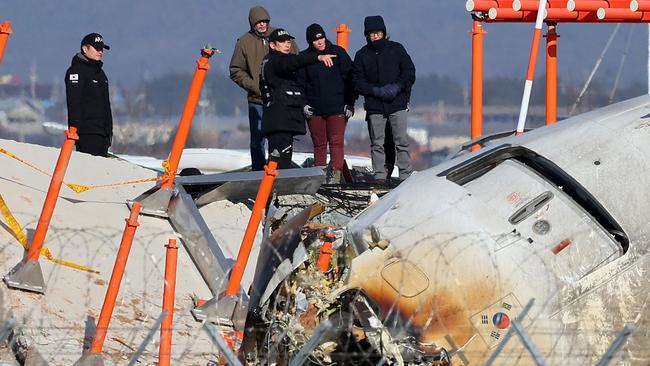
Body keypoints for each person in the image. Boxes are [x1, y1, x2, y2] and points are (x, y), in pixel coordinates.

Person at [229, 5, 298, 171]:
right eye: (258, 22)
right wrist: (255, 87)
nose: (262, 24)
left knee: (282, 136)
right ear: (252, 23)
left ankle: (281, 170)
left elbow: (296, 61)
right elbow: (235, 70)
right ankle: (258, 172)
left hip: (281, 99)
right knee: (257, 139)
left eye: (264, 21)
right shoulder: (244, 42)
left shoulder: (281, 36)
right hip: (257, 99)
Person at [260, 28, 336, 169]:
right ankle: (275, 189)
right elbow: (291, 62)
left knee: (282, 161)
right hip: (278, 121)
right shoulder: (274, 61)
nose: (287, 44)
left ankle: (276, 187)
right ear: (272, 45)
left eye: (288, 41)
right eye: (282, 42)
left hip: (284, 121)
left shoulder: (277, 60)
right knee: (279, 163)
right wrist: (317, 57)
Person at [353, 15, 416, 184]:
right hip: (374, 106)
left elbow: (409, 72)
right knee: (377, 143)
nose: (374, 36)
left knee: (401, 141)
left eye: (377, 32)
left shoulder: (397, 49)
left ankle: (405, 174)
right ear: (366, 34)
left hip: (397, 103)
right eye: (371, 33)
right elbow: (357, 81)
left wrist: (397, 88)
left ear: (384, 32)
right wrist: (374, 90)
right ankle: (379, 175)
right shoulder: (362, 54)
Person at [299, 23, 355, 184]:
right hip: (315, 110)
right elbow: (300, 83)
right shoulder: (306, 58)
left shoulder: (338, 53)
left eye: (322, 38)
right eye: (316, 40)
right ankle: (320, 178)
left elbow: (351, 79)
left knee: (336, 143)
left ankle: (335, 178)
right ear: (310, 42)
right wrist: (303, 104)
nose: (320, 42)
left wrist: (350, 103)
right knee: (319, 144)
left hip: (337, 107)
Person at [65, 33, 113, 157]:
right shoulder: (76, 71)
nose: (100, 51)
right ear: (85, 49)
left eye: (101, 49)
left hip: (103, 134)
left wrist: (108, 132)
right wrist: (75, 131)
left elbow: (106, 105)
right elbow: (74, 102)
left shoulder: (101, 74)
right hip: (86, 133)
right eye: (96, 48)